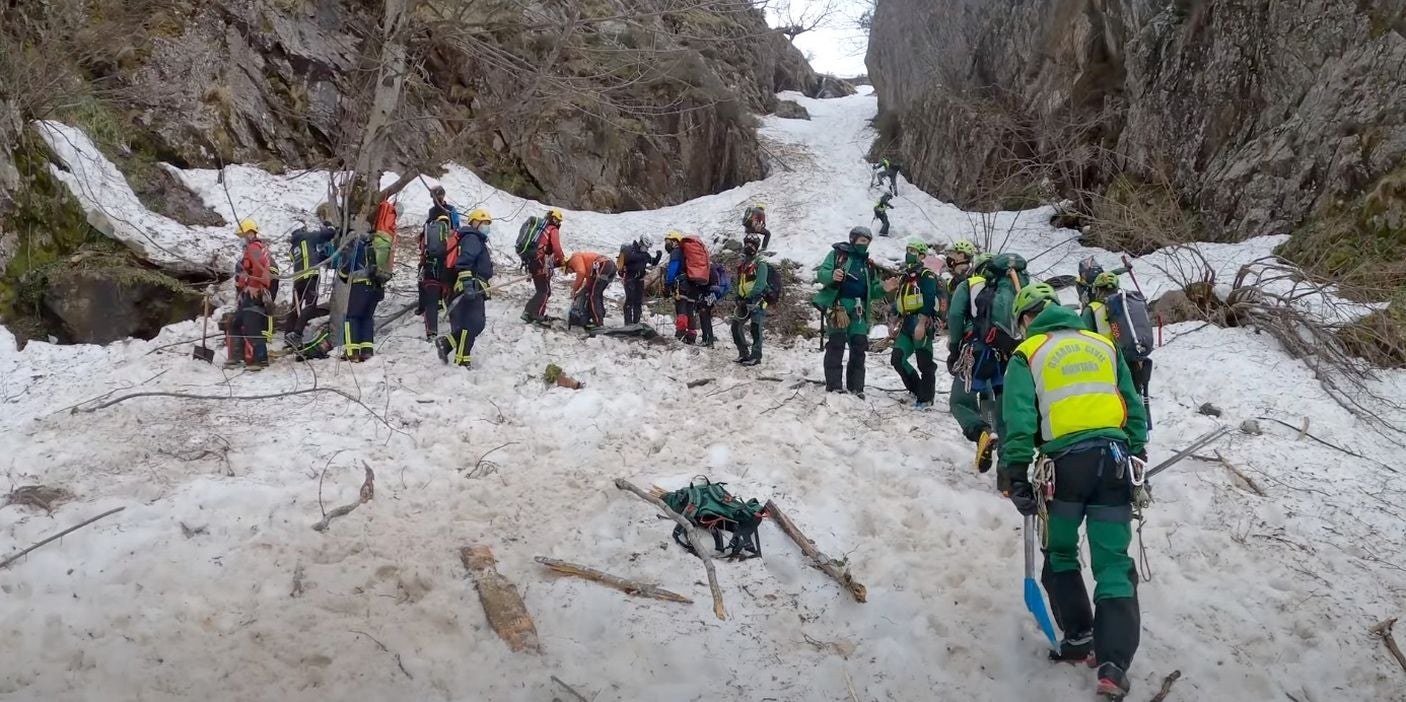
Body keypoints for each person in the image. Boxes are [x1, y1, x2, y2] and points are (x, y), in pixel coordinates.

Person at [998, 282, 1148, 701]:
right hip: (1114, 462)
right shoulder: (1103, 345)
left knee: (1061, 551)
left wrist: (1015, 472)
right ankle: (1114, 662)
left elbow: (1019, 418)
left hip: (1063, 469)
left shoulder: (1027, 354)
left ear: (1027, 318)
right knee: (1113, 562)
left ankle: (1079, 633)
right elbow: (1132, 405)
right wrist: (1137, 452)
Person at [946, 250, 1029, 472]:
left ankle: (981, 432)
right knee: (1000, 408)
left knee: (960, 401)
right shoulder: (1014, 288)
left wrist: (954, 349)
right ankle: (1007, 474)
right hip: (1009, 354)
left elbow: (954, 316)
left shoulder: (971, 285)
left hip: (977, 352)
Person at [813, 226, 888, 397]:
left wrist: (884, 288)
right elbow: (822, 273)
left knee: (859, 345)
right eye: (862, 240)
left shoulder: (868, 265)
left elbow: (873, 289)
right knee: (836, 344)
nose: (865, 244)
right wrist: (832, 275)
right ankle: (834, 385)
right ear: (853, 239)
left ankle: (856, 386)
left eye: (868, 241)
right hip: (839, 305)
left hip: (860, 308)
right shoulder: (838, 255)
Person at [1082, 271, 1154, 425]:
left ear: (1097, 289)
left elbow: (1083, 337)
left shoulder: (1091, 309)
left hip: (1106, 361)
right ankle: (1140, 428)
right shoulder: (1128, 304)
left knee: (1114, 397)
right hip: (1132, 356)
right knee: (1133, 396)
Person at [437, 209, 494, 368]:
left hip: (474, 286)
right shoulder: (472, 238)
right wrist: (468, 284)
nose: (487, 226)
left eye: (488, 224)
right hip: (470, 285)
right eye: (485, 223)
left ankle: (446, 344)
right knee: (473, 323)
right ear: (475, 223)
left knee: (472, 324)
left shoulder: (473, 238)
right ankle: (462, 360)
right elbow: (464, 262)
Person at [890, 240, 940, 408]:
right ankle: (916, 388)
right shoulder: (905, 276)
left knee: (924, 362)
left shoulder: (926, 275)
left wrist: (922, 322)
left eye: (912, 250)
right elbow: (900, 299)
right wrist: (894, 318)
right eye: (907, 250)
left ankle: (926, 397)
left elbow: (929, 297)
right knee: (897, 358)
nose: (908, 253)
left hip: (921, 322)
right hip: (906, 323)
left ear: (921, 255)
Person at [339, 227, 392, 362]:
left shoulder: (354, 245)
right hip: (376, 286)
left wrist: (342, 274)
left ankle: (352, 352)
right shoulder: (375, 244)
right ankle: (367, 351)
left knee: (352, 317)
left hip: (359, 285)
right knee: (367, 318)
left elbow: (345, 269)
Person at [228, 219, 274, 369]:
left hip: (255, 293)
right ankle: (236, 357)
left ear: (250, 233)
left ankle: (261, 359)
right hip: (249, 293)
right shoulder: (252, 249)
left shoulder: (254, 247)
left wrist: (253, 286)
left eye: (242, 235)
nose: (241, 239)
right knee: (235, 322)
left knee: (252, 325)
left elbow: (259, 264)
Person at [286, 221, 336, 334]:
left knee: (295, 308)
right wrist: (330, 228)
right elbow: (327, 235)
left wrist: (319, 257)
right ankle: (297, 333)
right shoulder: (307, 236)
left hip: (297, 280)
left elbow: (305, 257)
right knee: (310, 306)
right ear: (303, 229)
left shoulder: (292, 249)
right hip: (310, 277)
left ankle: (288, 335)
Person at [731, 233, 770, 366]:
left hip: (757, 301)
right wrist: (738, 296)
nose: (749, 246)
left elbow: (760, 283)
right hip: (743, 300)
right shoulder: (743, 264)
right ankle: (743, 353)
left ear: (757, 246)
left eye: (752, 244)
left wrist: (750, 297)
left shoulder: (761, 263)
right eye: (747, 243)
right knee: (735, 326)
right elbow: (739, 282)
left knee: (755, 328)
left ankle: (756, 355)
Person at [523, 208, 566, 323]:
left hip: (532, 261)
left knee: (541, 289)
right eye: (558, 220)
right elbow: (556, 248)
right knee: (545, 291)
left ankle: (528, 312)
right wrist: (562, 261)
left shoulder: (541, 230)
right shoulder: (553, 229)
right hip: (541, 263)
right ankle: (537, 314)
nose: (558, 223)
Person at [417, 214, 456, 341]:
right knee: (451, 298)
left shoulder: (428, 233)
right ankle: (455, 328)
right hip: (446, 270)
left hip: (430, 269)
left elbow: (422, 250)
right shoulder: (453, 234)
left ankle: (432, 332)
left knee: (431, 302)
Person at [664, 231, 701, 344]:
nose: (667, 244)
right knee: (690, 310)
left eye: (668, 241)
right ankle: (691, 335)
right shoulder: (687, 253)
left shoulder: (676, 251)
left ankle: (680, 333)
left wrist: (668, 284)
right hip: (694, 284)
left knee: (682, 309)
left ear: (675, 241)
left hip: (682, 284)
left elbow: (673, 269)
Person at [566, 250, 618, 329]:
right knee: (596, 293)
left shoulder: (574, 258)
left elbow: (581, 272)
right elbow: (588, 286)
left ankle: (598, 323)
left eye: (568, 271)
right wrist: (579, 293)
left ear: (568, 265)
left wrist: (574, 290)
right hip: (610, 267)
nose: (571, 273)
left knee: (594, 296)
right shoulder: (588, 267)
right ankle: (599, 316)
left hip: (604, 265)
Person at [618, 236, 661, 325]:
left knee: (638, 301)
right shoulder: (630, 251)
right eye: (646, 247)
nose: (647, 249)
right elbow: (623, 263)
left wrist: (658, 256)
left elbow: (653, 262)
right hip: (630, 279)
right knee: (630, 300)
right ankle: (628, 323)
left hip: (640, 280)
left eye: (648, 248)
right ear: (641, 242)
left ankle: (636, 322)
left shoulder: (645, 255)